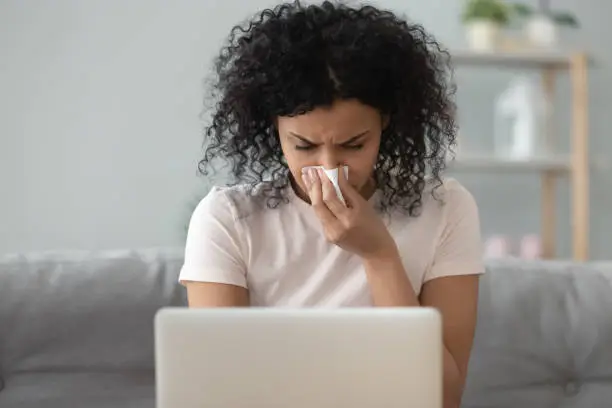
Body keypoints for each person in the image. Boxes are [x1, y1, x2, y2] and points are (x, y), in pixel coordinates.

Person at [180, 1, 483, 407]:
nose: (327, 167)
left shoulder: (445, 208)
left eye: (353, 145)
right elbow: (216, 393)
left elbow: (443, 397)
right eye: (303, 145)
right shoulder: (229, 219)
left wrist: (379, 255)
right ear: (274, 129)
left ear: (386, 122)